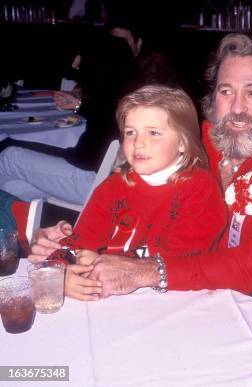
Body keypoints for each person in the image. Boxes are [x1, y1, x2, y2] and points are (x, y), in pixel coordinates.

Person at [29, 33, 252, 299]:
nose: (237, 108)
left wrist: (147, 271)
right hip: (174, 291)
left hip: (247, 305)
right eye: (226, 91)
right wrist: (65, 248)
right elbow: (127, 201)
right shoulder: (200, 136)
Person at [36, 85, 226, 301]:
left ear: (183, 142)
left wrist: (98, 261)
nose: (138, 143)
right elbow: (77, 240)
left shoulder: (200, 188)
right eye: (130, 132)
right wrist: (63, 273)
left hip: (174, 301)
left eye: (153, 133)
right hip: (112, 301)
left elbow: (181, 260)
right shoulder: (113, 187)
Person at [0, 33, 141, 205]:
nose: (77, 68)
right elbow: (102, 120)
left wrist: (32, 147)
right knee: (17, 173)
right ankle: (32, 217)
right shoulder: (127, 96)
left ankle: (22, 218)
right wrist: (79, 106)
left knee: (9, 158)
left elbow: (84, 159)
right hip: (121, 181)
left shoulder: (105, 102)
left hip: (96, 184)